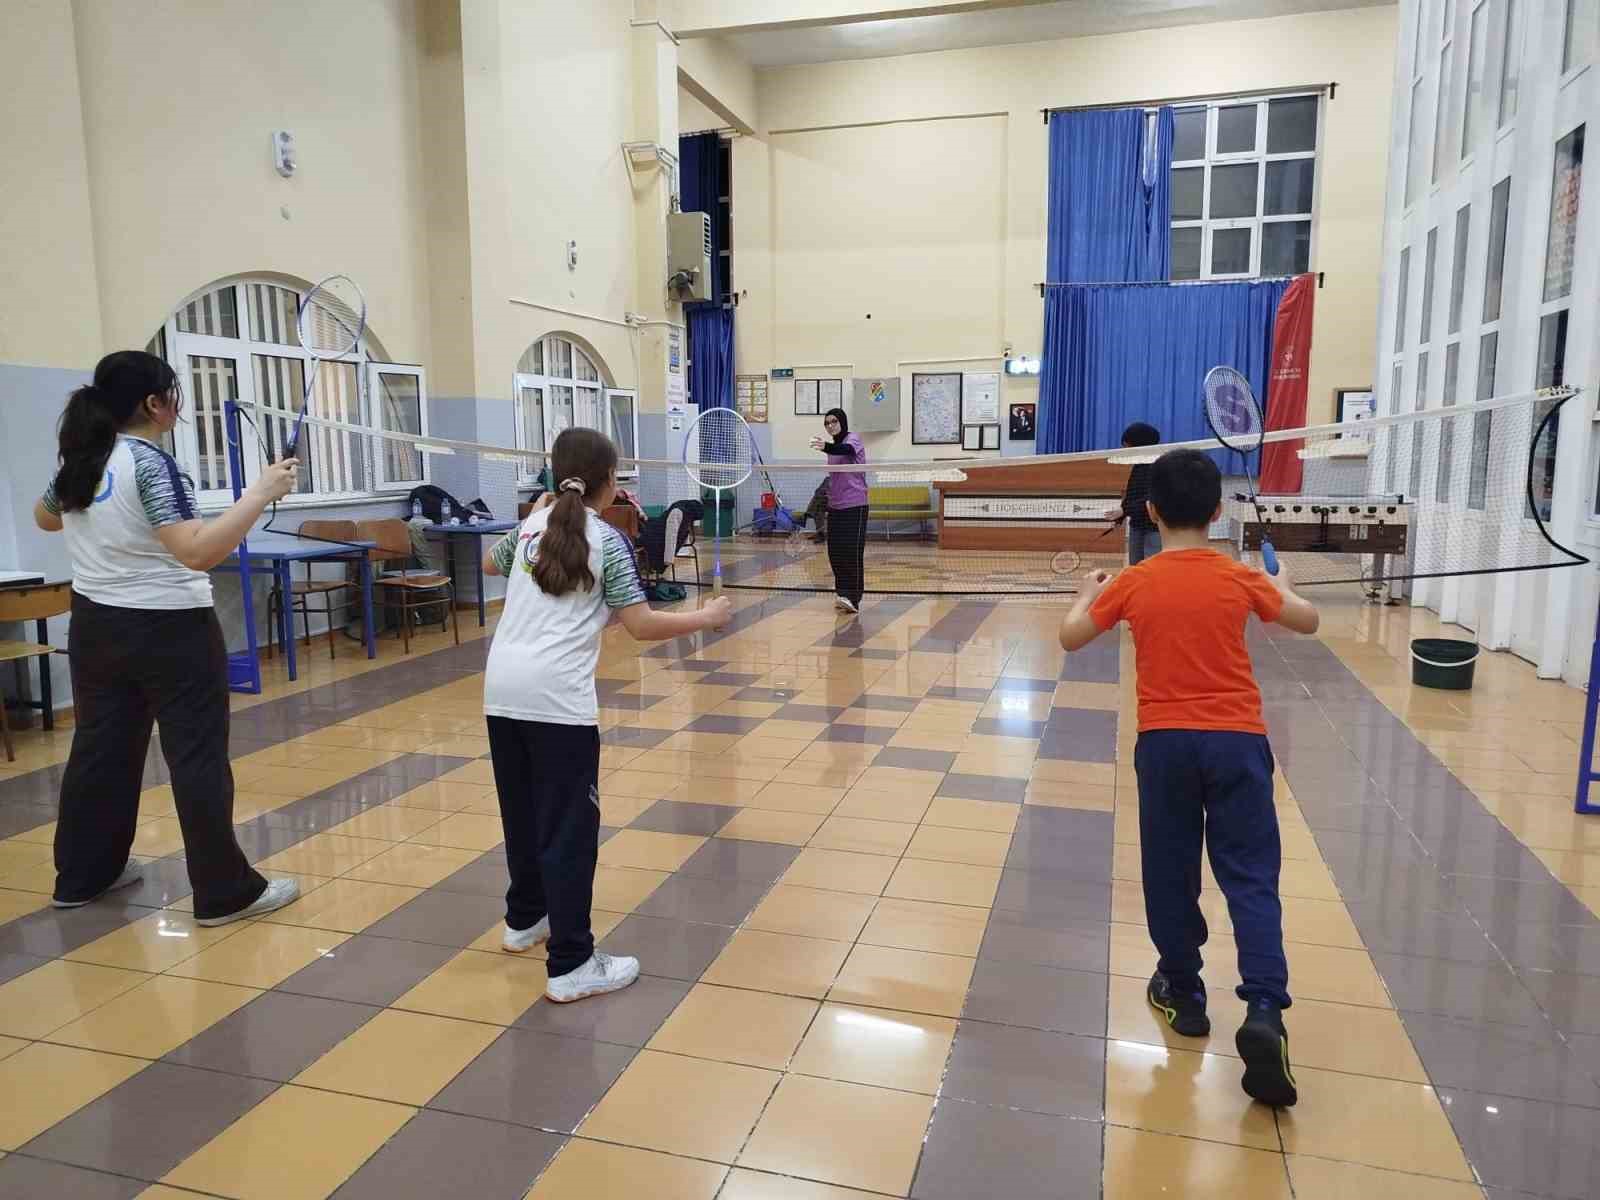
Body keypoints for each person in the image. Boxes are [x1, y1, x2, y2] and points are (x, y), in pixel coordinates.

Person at [1058, 448, 1320, 1108]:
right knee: (1251, 877)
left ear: (1150, 511)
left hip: (1166, 746)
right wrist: (1284, 585)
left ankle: (1183, 989)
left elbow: (1071, 637)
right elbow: (1307, 620)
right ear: (1217, 510)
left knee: (1171, 872)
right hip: (1239, 744)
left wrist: (1086, 594)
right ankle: (1265, 1008)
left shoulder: (1134, 581)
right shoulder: (1239, 576)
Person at [33, 350, 302, 925]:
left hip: (96, 628)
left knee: (100, 750)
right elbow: (197, 552)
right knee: (196, 756)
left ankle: (83, 876)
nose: (177, 405)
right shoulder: (152, 464)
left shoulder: (85, 458)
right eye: (173, 395)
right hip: (169, 629)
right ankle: (225, 892)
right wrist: (260, 493)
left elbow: (46, 517)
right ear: (154, 404)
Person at [482, 427, 731, 1003]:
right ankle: (571, 963)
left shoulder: (531, 527)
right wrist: (706, 617)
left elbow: (493, 565)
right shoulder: (607, 541)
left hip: (502, 693)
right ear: (611, 482)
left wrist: (535, 515)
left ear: (555, 474)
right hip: (557, 703)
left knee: (523, 815)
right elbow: (641, 625)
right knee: (569, 831)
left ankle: (525, 919)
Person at [808, 407, 868, 613]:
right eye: (827, 423)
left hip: (855, 506)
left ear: (842, 421)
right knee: (836, 552)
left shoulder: (853, 439)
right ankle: (843, 594)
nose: (830, 425)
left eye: (834, 421)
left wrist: (825, 446)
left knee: (852, 553)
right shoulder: (832, 450)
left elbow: (845, 450)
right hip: (836, 507)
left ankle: (854, 598)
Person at [1104, 421, 1163, 564]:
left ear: (1139, 444)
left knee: (1151, 567)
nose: (1125, 449)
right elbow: (1133, 494)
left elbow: (1151, 498)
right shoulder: (1139, 465)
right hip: (1137, 526)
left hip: (1154, 528)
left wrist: (1124, 510)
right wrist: (1120, 517)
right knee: (1135, 567)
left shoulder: (1159, 466)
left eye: (1127, 445)